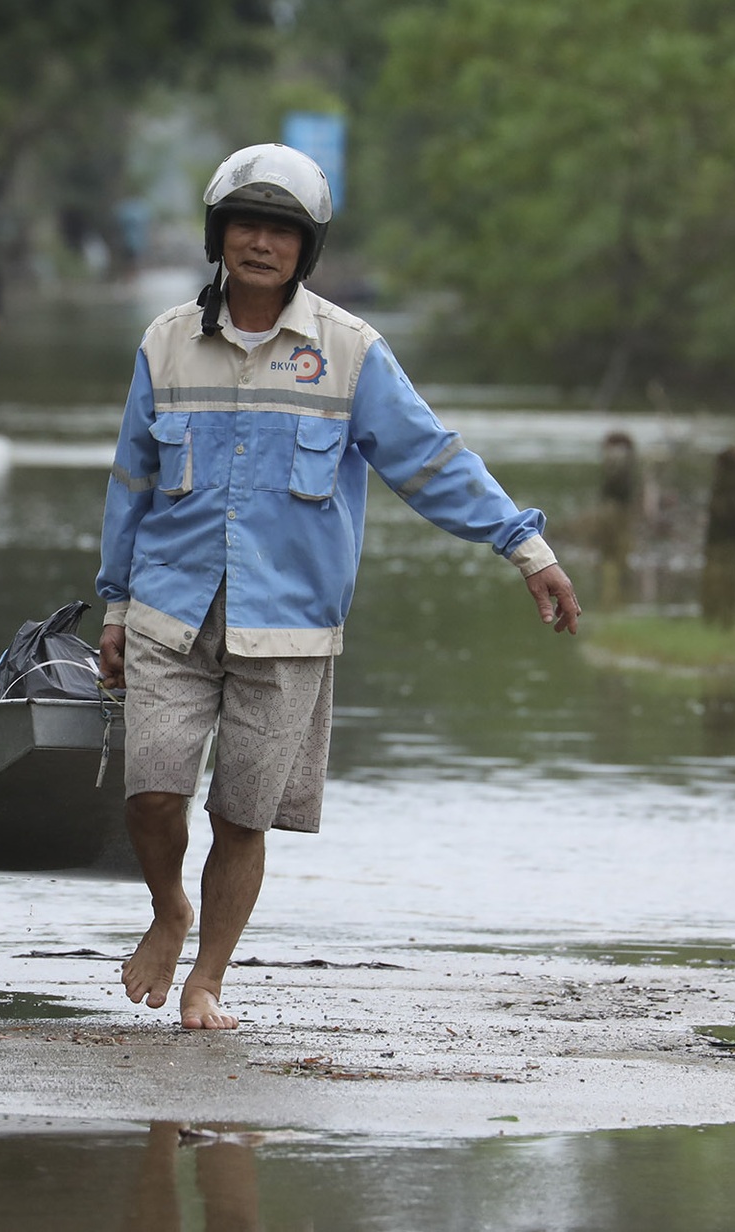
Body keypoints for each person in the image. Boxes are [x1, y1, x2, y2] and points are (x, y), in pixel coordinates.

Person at [93, 143, 580, 1030]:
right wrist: (116, 602)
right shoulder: (165, 344)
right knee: (154, 791)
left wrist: (525, 546)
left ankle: (208, 978)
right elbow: (132, 478)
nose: (261, 244)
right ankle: (168, 907)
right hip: (171, 611)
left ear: (306, 247)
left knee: (243, 816)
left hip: (290, 626)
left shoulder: (350, 353)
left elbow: (432, 463)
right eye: (247, 224)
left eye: (282, 230)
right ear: (218, 234)